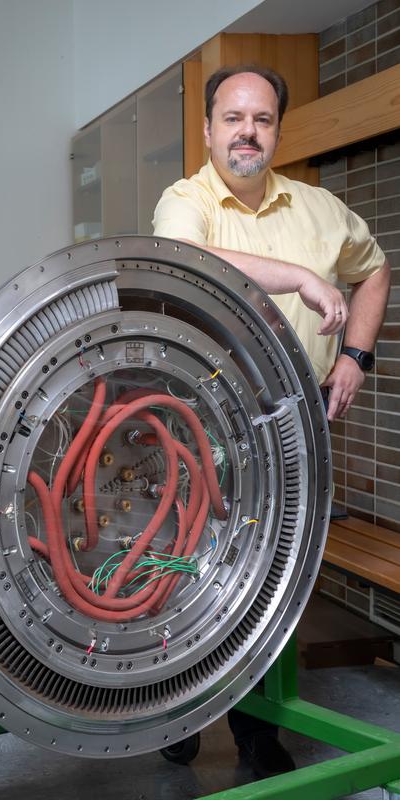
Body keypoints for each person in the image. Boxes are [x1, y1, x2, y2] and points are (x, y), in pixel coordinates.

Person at [153, 64, 390, 778]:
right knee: (183, 571)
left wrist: (354, 357)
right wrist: (298, 277)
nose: (246, 132)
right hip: (199, 427)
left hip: (294, 431)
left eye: (260, 119)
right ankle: (173, 705)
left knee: (273, 579)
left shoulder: (318, 210)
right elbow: (182, 262)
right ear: (206, 130)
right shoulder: (185, 199)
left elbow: (373, 270)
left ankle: (257, 731)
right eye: (232, 118)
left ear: (276, 130)